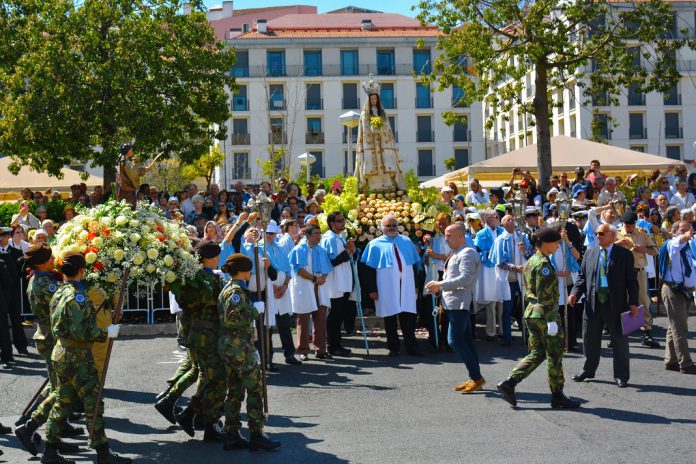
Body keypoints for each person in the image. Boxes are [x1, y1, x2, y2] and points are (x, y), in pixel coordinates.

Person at [39, 251, 128, 464]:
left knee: (63, 402)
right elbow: (82, 331)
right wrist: (106, 332)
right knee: (93, 403)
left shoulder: (59, 292)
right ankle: (103, 454)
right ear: (81, 271)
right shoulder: (76, 296)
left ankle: (49, 452)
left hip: (61, 352)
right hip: (77, 355)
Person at [496, 227, 581, 409]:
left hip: (532, 313)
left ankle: (509, 383)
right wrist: (551, 320)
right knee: (555, 355)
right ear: (545, 244)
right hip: (545, 315)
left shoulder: (531, 261)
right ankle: (557, 395)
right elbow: (545, 297)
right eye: (556, 243)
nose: (558, 246)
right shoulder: (543, 265)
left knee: (537, 353)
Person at [15, 244, 83, 456]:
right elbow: (64, 300)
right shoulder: (44, 283)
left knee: (59, 387)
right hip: (52, 339)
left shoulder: (43, 278)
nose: (55, 260)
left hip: (50, 337)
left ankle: (56, 433)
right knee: (61, 390)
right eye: (51, 258)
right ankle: (29, 428)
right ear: (41, 262)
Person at [217, 253, 282, 451]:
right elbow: (232, 319)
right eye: (250, 270)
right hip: (237, 347)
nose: (251, 274)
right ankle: (256, 432)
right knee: (255, 387)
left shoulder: (230, 288)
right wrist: (255, 310)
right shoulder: (235, 291)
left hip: (233, 346)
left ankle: (232, 433)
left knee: (235, 390)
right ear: (244, 271)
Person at [569, 223, 640, 388]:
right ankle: (588, 370)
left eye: (601, 233)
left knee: (619, 342)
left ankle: (621, 375)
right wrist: (574, 293)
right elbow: (581, 277)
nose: (597, 236)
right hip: (592, 304)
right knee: (590, 340)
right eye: (596, 233)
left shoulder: (624, 255)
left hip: (615, 304)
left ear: (612, 236)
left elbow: (632, 281)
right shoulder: (590, 252)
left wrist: (634, 302)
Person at [171, 240, 227, 442]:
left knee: (210, 376)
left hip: (199, 333)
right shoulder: (204, 278)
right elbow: (214, 301)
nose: (218, 261)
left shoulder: (197, 276)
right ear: (206, 259)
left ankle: (201, 418)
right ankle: (195, 416)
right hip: (206, 335)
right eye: (215, 258)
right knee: (216, 377)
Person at [425, 223, 484, 393]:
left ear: (461, 236)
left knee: (455, 341)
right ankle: (475, 377)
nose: (446, 238)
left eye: (449, 235)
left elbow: (465, 278)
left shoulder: (468, 253)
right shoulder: (457, 252)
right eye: (445, 235)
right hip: (453, 302)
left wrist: (440, 285)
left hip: (460, 303)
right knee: (465, 341)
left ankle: (476, 377)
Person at [361, 215, 422, 356]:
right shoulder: (374, 244)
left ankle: (411, 346)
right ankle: (393, 347)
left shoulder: (406, 241)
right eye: (388, 225)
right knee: (390, 316)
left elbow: (414, 265)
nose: (392, 228)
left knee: (408, 316)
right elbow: (368, 270)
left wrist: (416, 284)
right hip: (386, 286)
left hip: (406, 284)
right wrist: (372, 290)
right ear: (382, 228)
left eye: (394, 225)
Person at [354, 74, 406, 191]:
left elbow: (388, 130)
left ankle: (388, 186)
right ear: (369, 100)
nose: (373, 100)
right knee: (372, 164)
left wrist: (380, 129)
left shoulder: (383, 113)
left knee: (384, 164)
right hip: (370, 145)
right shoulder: (364, 115)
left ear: (377, 100)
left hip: (383, 144)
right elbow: (362, 133)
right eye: (371, 99)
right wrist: (371, 130)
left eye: (375, 99)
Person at [616, 211, 661, 349]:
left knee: (642, 301)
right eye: (626, 225)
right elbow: (605, 250)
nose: (629, 228)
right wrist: (618, 244)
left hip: (638, 271)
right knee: (620, 301)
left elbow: (655, 251)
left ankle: (646, 332)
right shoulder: (616, 233)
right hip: (621, 273)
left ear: (635, 224)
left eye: (631, 225)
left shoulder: (642, 233)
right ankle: (618, 334)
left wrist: (643, 249)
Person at [289, 225, 333, 360]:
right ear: (307, 236)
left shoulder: (321, 250)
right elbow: (299, 269)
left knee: (320, 320)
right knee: (303, 320)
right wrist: (315, 279)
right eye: (315, 234)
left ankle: (320, 350)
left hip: (320, 287)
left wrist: (322, 279)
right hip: (305, 287)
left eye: (320, 233)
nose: (319, 236)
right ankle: (303, 350)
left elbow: (327, 268)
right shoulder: (298, 249)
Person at [657, 221, 696, 374]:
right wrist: (686, 236)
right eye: (682, 230)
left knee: (673, 326)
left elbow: (689, 266)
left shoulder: (686, 247)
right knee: (680, 328)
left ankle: (671, 360)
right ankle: (685, 364)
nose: (687, 233)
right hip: (672, 289)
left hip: (682, 290)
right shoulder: (672, 244)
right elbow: (677, 242)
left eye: (688, 230)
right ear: (674, 232)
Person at [491, 215, 533, 347]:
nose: (511, 221)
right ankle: (507, 338)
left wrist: (524, 249)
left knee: (526, 307)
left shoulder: (522, 237)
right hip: (509, 278)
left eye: (512, 219)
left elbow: (531, 256)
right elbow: (499, 262)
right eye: (508, 220)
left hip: (523, 277)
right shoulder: (500, 240)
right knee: (507, 308)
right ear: (502, 224)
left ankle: (528, 337)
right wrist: (515, 268)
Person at [320, 212, 356, 357]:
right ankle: (333, 345)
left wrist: (351, 250)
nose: (343, 223)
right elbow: (331, 261)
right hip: (335, 282)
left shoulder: (340, 236)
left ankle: (337, 343)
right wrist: (347, 250)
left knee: (340, 314)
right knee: (335, 315)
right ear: (332, 223)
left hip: (343, 280)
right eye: (340, 221)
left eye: (344, 220)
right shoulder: (329, 238)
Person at [475, 210, 504, 342]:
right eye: (495, 217)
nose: (498, 219)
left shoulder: (502, 231)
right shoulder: (481, 234)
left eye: (497, 217)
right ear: (487, 219)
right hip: (488, 269)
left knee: (501, 301)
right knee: (491, 302)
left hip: (502, 268)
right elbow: (479, 251)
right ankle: (491, 331)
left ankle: (502, 330)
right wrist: (490, 253)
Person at [0, 227, 28, 358]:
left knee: (16, 319)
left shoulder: (17, 253)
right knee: (2, 323)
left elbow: (21, 272)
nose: (1, 238)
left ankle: (21, 346)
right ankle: (6, 352)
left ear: (8, 236)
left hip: (13, 292)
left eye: (4, 235)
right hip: (1, 293)